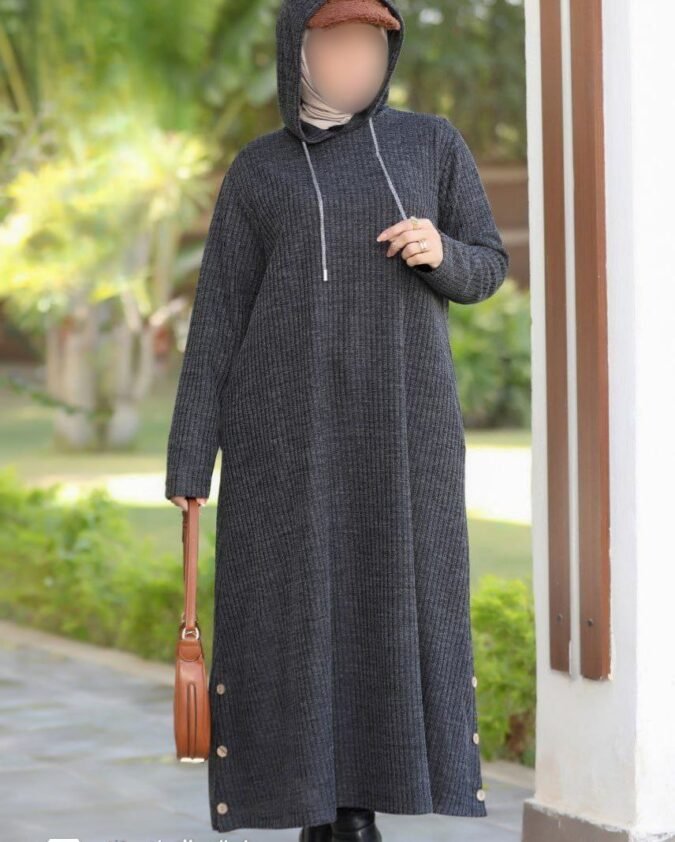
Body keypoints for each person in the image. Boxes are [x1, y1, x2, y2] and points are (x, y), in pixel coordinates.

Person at [165, 0, 509, 838]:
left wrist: (443, 252)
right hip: (284, 441)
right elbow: (218, 320)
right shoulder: (259, 171)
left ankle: (357, 810)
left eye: (372, 45)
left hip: (402, 436)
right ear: (299, 52)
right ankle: (317, 811)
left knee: (387, 609)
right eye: (339, 44)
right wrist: (189, 458)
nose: (358, 60)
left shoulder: (431, 145)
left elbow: (488, 265)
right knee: (293, 617)